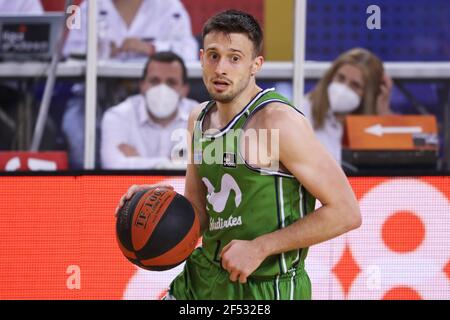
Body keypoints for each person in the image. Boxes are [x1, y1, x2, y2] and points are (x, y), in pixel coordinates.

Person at [115, 10, 361, 300]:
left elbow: (346, 212)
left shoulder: (277, 122)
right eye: (214, 56)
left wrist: (261, 247)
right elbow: (199, 213)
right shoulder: (198, 118)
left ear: (255, 65)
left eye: (234, 58)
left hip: (268, 287)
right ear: (202, 57)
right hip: (204, 278)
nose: (221, 68)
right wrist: (157, 205)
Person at [100, 51, 197, 169]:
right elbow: (113, 166)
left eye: (171, 82)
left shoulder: (200, 117)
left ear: (184, 89)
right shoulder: (117, 117)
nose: (162, 89)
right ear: (142, 86)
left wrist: (139, 162)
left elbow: (202, 169)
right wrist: (167, 163)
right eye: (154, 81)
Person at [301, 48, 393, 163]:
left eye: (355, 85)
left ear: (368, 95)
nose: (343, 88)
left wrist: (381, 116)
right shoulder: (301, 110)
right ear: (331, 76)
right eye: (341, 78)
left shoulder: (373, 128)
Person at [63, 0, 198, 62]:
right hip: (94, 94)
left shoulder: (169, 6)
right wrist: (97, 50)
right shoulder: (89, 6)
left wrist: (151, 48)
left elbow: (189, 52)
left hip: (154, 94)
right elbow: (68, 51)